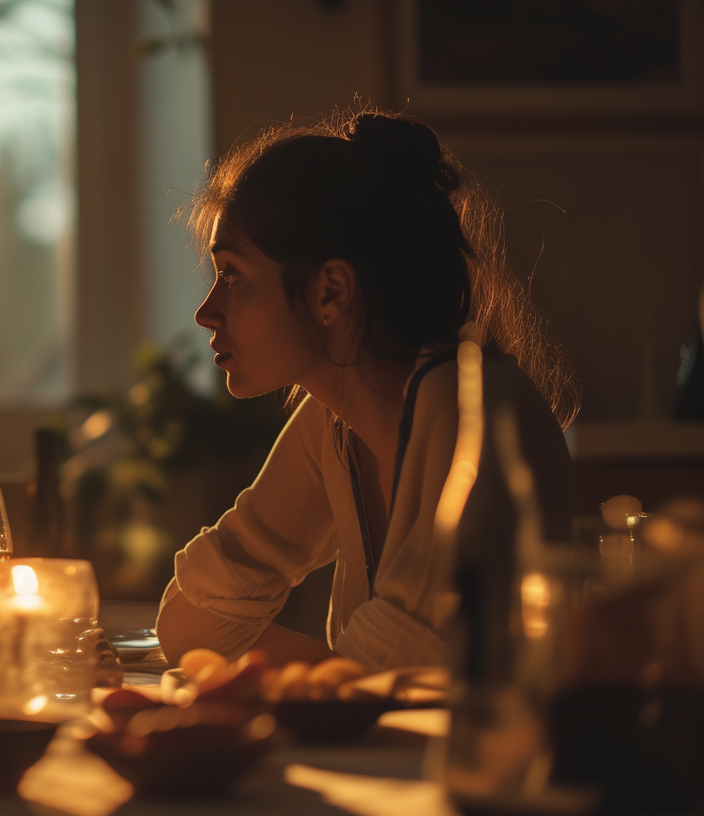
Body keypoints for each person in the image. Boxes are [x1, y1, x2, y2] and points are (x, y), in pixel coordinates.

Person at [156, 110, 579, 671]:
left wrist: (316, 683)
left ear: (331, 290)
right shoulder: (332, 422)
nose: (206, 312)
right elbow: (190, 624)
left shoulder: (471, 410)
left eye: (231, 275)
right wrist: (327, 683)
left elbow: (416, 671)